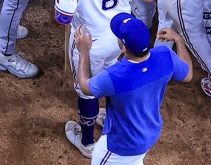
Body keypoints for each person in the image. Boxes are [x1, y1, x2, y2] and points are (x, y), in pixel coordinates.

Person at [54, 0, 157, 157]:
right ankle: (107, 120)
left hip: (88, 43)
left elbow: (62, 18)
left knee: (87, 89)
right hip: (121, 40)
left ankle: (88, 142)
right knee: (111, 80)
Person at [72, 14, 192, 164]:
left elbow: (85, 86)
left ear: (123, 47)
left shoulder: (115, 76)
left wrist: (84, 51)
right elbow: (188, 75)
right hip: (150, 133)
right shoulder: (165, 55)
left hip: (121, 146)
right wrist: (179, 40)